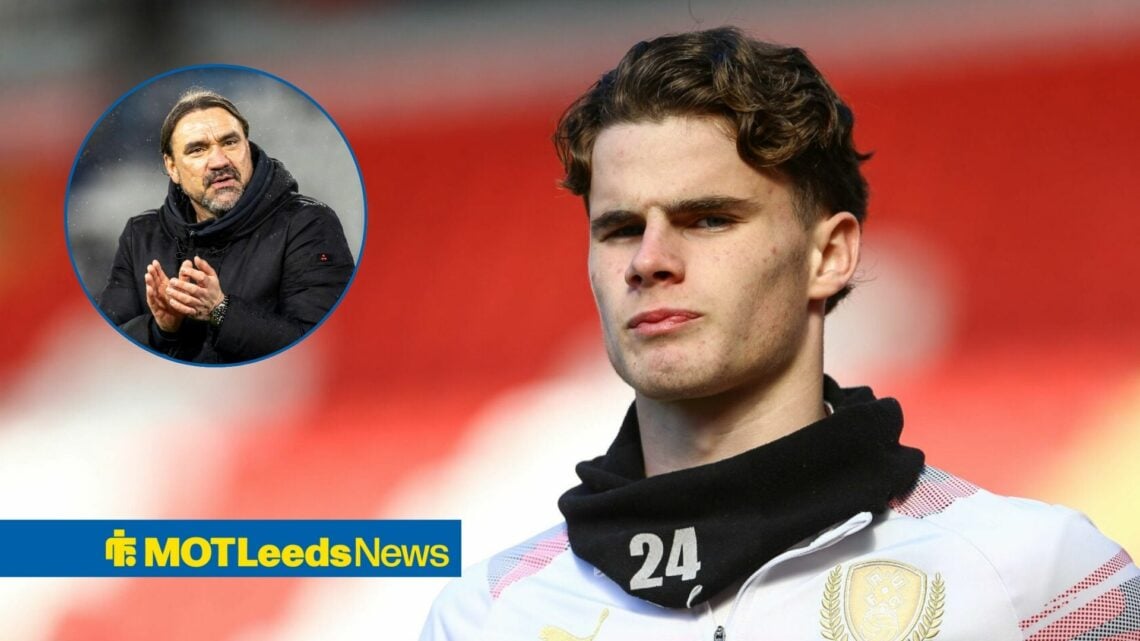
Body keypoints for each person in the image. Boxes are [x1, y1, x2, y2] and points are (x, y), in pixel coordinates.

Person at [419, 27, 1139, 640]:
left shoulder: (1043, 580)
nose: (649, 261)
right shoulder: (488, 616)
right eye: (620, 228)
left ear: (829, 256)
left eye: (708, 219)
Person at [96, 88, 355, 364]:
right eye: (198, 149)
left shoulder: (308, 225)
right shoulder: (141, 236)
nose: (219, 161)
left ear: (248, 147)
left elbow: (323, 349)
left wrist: (220, 310)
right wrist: (161, 330)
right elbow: (106, 352)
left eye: (230, 142)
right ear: (171, 167)